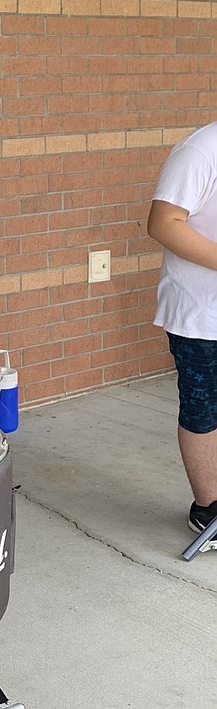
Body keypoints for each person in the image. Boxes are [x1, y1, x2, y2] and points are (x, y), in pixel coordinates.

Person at [148, 121, 217, 548]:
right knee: (204, 410)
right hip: (201, 315)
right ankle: (208, 511)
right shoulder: (201, 150)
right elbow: (163, 222)